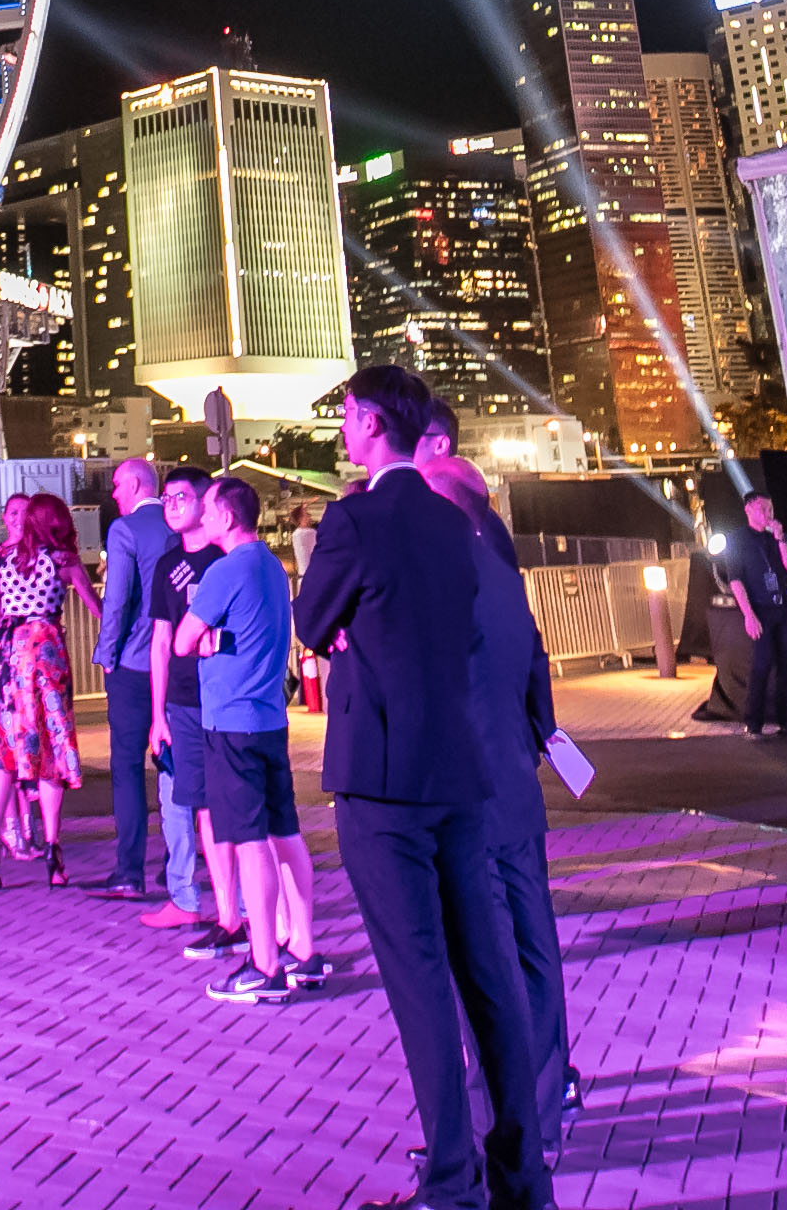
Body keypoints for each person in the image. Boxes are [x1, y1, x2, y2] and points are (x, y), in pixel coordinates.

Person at [299, 366, 547, 1210]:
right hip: (462, 773)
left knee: (419, 981)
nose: (341, 430)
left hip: (381, 784)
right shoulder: (453, 522)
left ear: (371, 423)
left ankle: (451, 1186)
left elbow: (311, 622)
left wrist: (342, 636)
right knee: (488, 975)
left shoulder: (354, 517)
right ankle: (524, 1177)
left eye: (346, 417)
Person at [417, 423, 574, 1148]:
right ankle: (541, 1103)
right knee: (533, 953)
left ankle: (505, 1129)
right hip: (515, 788)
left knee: (484, 967)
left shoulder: (446, 583)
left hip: (468, 801)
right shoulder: (508, 581)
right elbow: (537, 682)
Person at [185, 479, 321, 999]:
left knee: (249, 841)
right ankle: (304, 951)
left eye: (206, 509)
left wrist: (207, 639)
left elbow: (181, 638)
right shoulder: (271, 565)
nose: (201, 516)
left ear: (224, 516)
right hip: (268, 718)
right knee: (285, 833)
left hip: (230, 720)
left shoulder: (224, 571)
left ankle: (264, 965)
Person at [0, 488, 95, 888]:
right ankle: (54, 851)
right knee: (51, 750)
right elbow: (97, 607)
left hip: (8, 659)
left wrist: (3, 633)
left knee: (5, 753)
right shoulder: (63, 561)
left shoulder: (3, 558)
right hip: (45, 658)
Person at [143, 473, 236, 948]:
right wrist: (156, 715)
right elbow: (161, 641)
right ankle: (185, 898)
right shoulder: (166, 565)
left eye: (181, 497)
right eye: (166, 497)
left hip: (223, 698)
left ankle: (235, 909)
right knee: (180, 801)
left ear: (207, 503)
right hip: (179, 702)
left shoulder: (226, 558)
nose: (172, 505)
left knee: (224, 806)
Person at [92, 455, 172, 900]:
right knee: (174, 769)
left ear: (139, 484)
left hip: (134, 665)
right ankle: (175, 865)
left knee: (126, 768)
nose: (114, 493)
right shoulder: (180, 525)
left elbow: (117, 601)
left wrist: (106, 654)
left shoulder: (125, 531)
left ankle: (129, 869)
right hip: (176, 666)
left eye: (119, 485)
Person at [723, 497, 787, 740]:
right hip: (759, 608)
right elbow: (736, 580)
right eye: (762, 508)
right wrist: (749, 615)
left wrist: (780, 538)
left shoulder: (778, 538)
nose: (767, 513)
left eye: (771, 508)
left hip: (783, 608)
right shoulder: (738, 539)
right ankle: (753, 725)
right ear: (748, 510)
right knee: (761, 665)